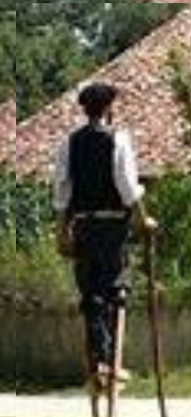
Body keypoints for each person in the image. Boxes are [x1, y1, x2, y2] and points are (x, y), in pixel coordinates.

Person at [53, 83, 157, 392]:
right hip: (112, 227)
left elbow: (62, 191)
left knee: (91, 295)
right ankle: (110, 363)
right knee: (114, 291)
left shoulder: (69, 143)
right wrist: (143, 219)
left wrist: (61, 232)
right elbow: (127, 185)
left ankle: (99, 361)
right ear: (109, 108)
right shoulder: (118, 140)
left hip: (83, 225)